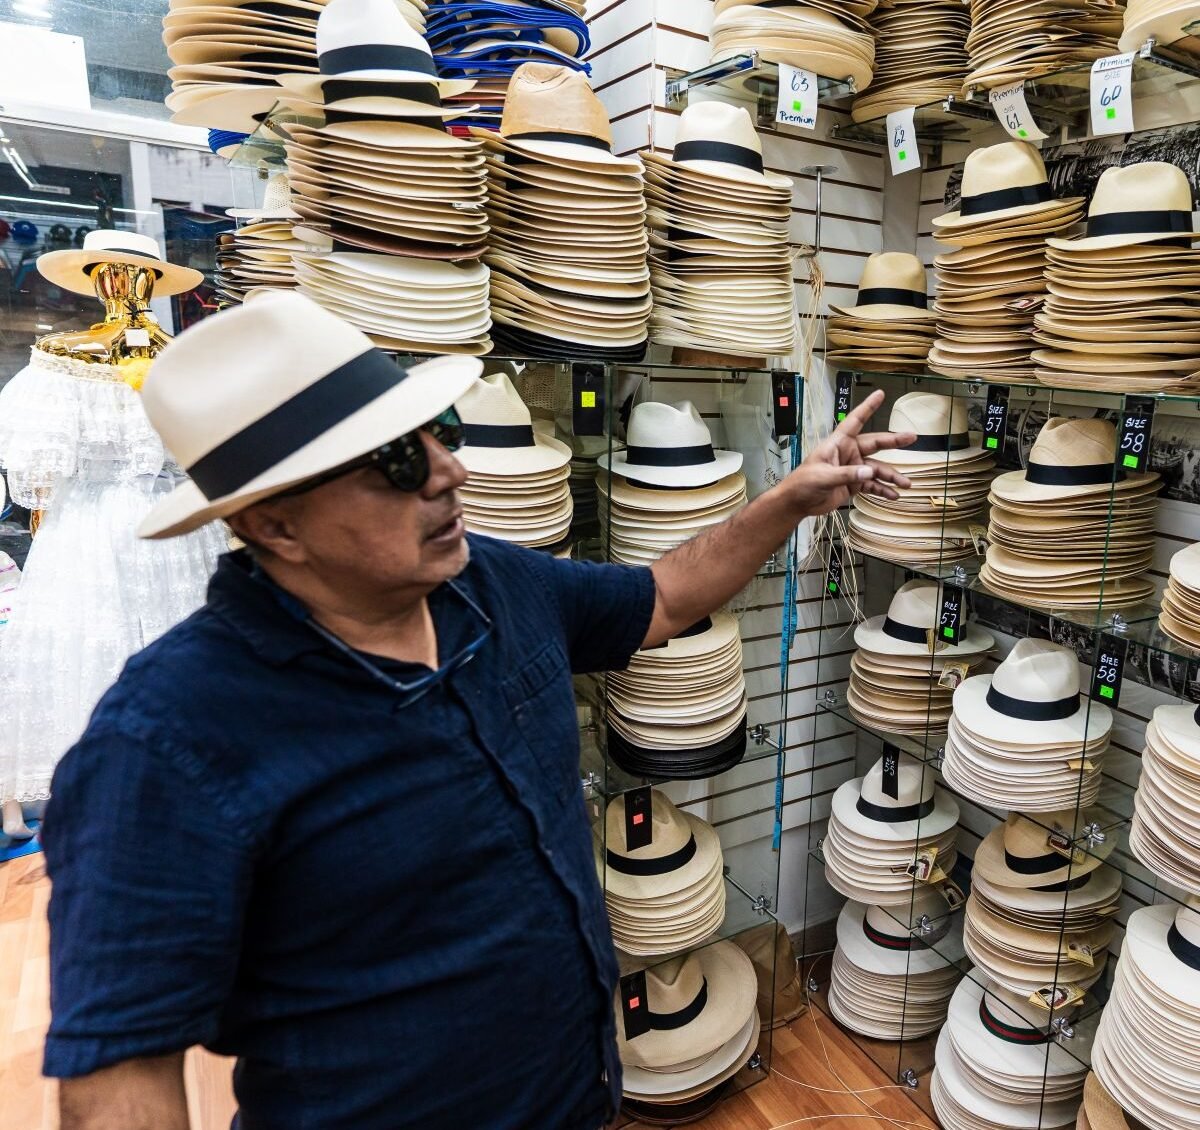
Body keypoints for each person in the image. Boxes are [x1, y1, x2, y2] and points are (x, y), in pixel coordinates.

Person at [40, 292, 914, 1130]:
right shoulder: (168, 740)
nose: (450, 470)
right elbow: (121, 1074)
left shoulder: (492, 583)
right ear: (275, 525)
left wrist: (788, 499)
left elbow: (662, 599)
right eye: (397, 460)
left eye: (441, 433)